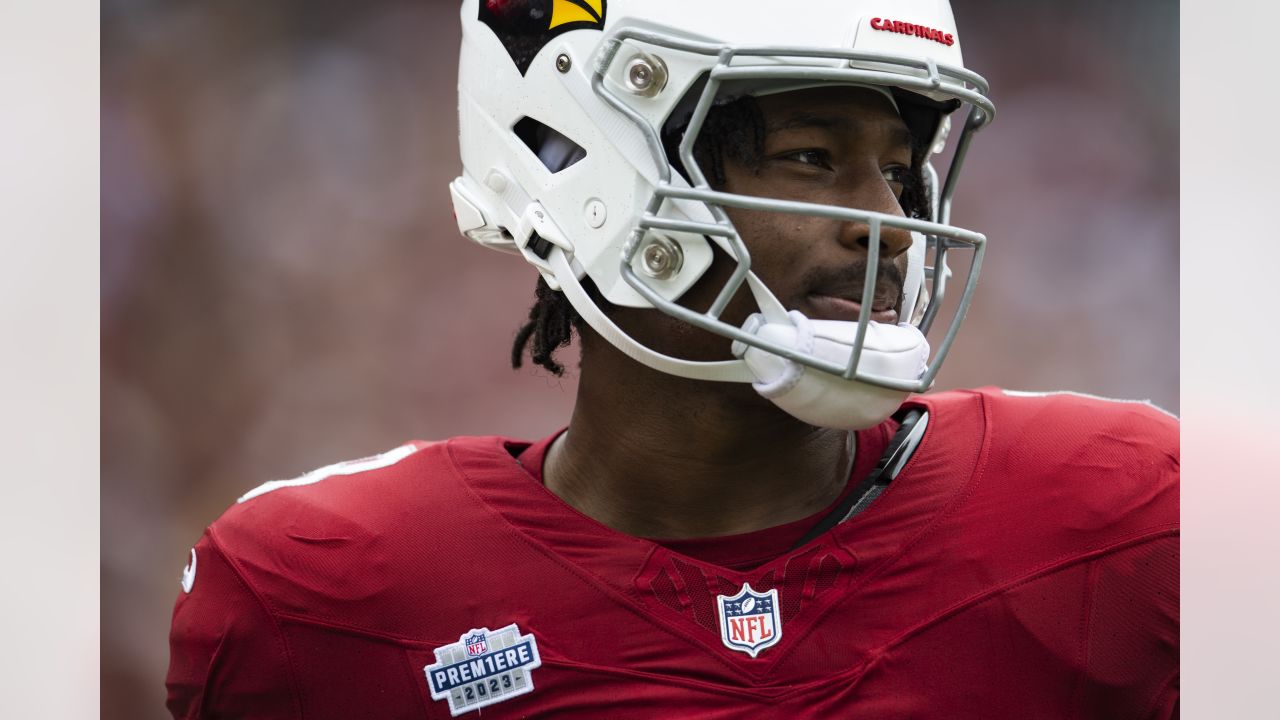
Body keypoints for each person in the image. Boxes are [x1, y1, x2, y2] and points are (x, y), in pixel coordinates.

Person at [166, 0, 1179, 717]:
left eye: (900, 170)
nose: (887, 225)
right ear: (585, 163)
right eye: (811, 160)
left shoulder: (1115, 519)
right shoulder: (322, 596)